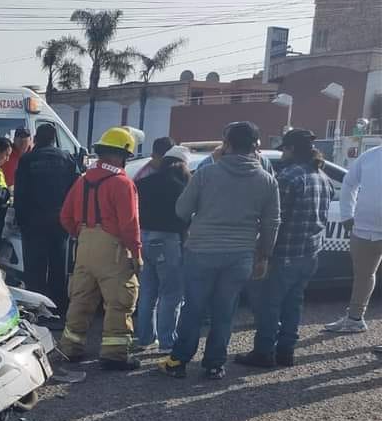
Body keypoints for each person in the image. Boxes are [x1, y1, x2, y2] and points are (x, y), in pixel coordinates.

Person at [158, 121, 280, 380]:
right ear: (255, 146)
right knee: (225, 311)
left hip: (201, 250)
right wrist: (264, 256)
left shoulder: (206, 174)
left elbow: (181, 210)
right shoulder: (267, 181)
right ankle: (214, 364)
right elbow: (272, 222)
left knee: (193, 308)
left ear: (227, 145)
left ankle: (178, 361)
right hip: (240, 255)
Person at [236, 129, 329, 367]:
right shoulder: (321, 177)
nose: (282, 153)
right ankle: (286, 351)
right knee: (293, 304)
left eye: (285, 149)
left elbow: (275, 219)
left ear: (292, 149)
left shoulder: (288, 177)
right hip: (309, 253)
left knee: (270, 305)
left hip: (284, 254)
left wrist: (262, 251)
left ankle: (263, 352)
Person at [58, 126, 143, 371]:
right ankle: (114, 354)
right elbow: (129, 224)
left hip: (84, 245)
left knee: (81, 299)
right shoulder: (122, 182)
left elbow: (65, 217)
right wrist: (136, 254)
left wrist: (84, 234)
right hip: (112, 248)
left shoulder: (82, 180)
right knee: (120, 300)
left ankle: (69, 349)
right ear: (122, 155)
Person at [14, 123, 80, 309]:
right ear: (53, 139)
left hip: (33, 223)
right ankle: (57, 306)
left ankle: (35, 307)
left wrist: (21, 221)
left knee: (35, 268)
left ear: (36, 139)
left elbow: (20, 193)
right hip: (59, 223)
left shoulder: (27, 160)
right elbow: (76, 191)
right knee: (58, 266)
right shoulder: (66, 159)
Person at [134, 145, 192, 352]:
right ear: (183, 164)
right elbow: (186, 217)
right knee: (171, 293)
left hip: (143, 238)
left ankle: (145, 338)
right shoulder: (181, 186)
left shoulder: (143, 183)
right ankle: (167, 341)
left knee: (148, 291)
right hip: (168, 241)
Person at [325, 143, 382, 333]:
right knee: (363, 276)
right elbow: (349, 183)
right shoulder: (370, 156)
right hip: (364, 229)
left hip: (366, 228)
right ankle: (355, 319)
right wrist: (347, 215)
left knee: (365, 276)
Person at [1, 125, 32, 191]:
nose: (22, 141)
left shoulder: (36, 155)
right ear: (14, 139)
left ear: (30, 140)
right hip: (8, 195)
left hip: (30, 196)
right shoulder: (5, 154)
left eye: (25, 139)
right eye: (20, 138)